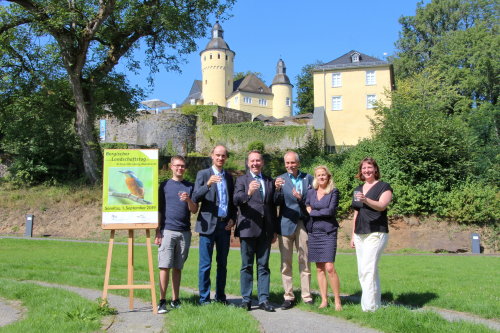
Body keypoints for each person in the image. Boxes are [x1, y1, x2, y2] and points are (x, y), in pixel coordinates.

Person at [233, 150, 278, 312]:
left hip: (266, 230)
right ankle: (246, 299)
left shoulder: (269, 181)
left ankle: (264, 299)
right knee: (246, 266)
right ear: (248, 163)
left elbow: (272, 207)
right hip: (248, 229)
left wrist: (275, 230)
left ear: (262, 163)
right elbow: (236, 200)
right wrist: (248, 193)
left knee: (263, 266)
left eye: (258, 161)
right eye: (252, 161)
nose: (255, 163)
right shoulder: (241, 180)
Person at [192, 145, 236, 305]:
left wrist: (233, 218)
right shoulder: (203, 174)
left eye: (223, 156)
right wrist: (208, 184)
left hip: (224, 226)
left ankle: (220, 296)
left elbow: (232, 201)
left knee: (222, 264)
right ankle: (204, 299)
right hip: (207, 226)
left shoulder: (229, 177)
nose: (220, 158)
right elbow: (195, 197)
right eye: (217, 155)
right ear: (212, 155)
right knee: (205, 264)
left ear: (226, 158)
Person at [155, 156, 198, 314]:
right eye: (177, 166)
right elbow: (159, 209)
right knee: (164, 266)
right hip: (167, 230)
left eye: (183, 166)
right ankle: (161, 301)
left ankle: (175, 299)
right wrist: (157, 230)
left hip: (184, 232)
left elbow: (194, 210)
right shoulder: (164, 185)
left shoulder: (190, 186)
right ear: (171, 167)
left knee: (178, 267)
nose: (180, 168)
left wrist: (188, 200)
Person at [350, 157, 393, 312]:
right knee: (364, 270)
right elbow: (356, 212)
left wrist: (366, 199)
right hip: (360, 233)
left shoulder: (384, 187)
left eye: (369, 167)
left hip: (376, 232)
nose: (366, 170)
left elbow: (382, 206)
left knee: (368, 269)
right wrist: (353, 234)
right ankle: (375, 305)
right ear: (360, 171)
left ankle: (369, 309)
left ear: (375, 169)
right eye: (363, 168)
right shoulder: (357, 189)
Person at [274, 151, 313, 309]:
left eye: (293, 163)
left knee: (304, 260)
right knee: (286, 262)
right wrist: (276, 190)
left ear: (298, 163)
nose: (290, 166)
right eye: (287, 163)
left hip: (303, 223)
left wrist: (300, 199)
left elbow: (313, 200)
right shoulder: (280, 179)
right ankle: (288, 296)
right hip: (285, 224)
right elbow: (274, 202)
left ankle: (306, 295)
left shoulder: (308, 178)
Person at [305, 165, 342, 311]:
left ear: (328, 177)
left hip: (328, 232)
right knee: (319, 268)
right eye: (318, 175)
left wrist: (313, 212)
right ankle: (324, 300)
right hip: (314, 232)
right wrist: (314, 211)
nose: (321, 177)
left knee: (330, 267)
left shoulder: (333, 191)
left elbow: (331, 211)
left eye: (324, 175)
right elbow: (307, 205)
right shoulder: (311, 192)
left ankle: (338, 300)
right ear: (315, 177)